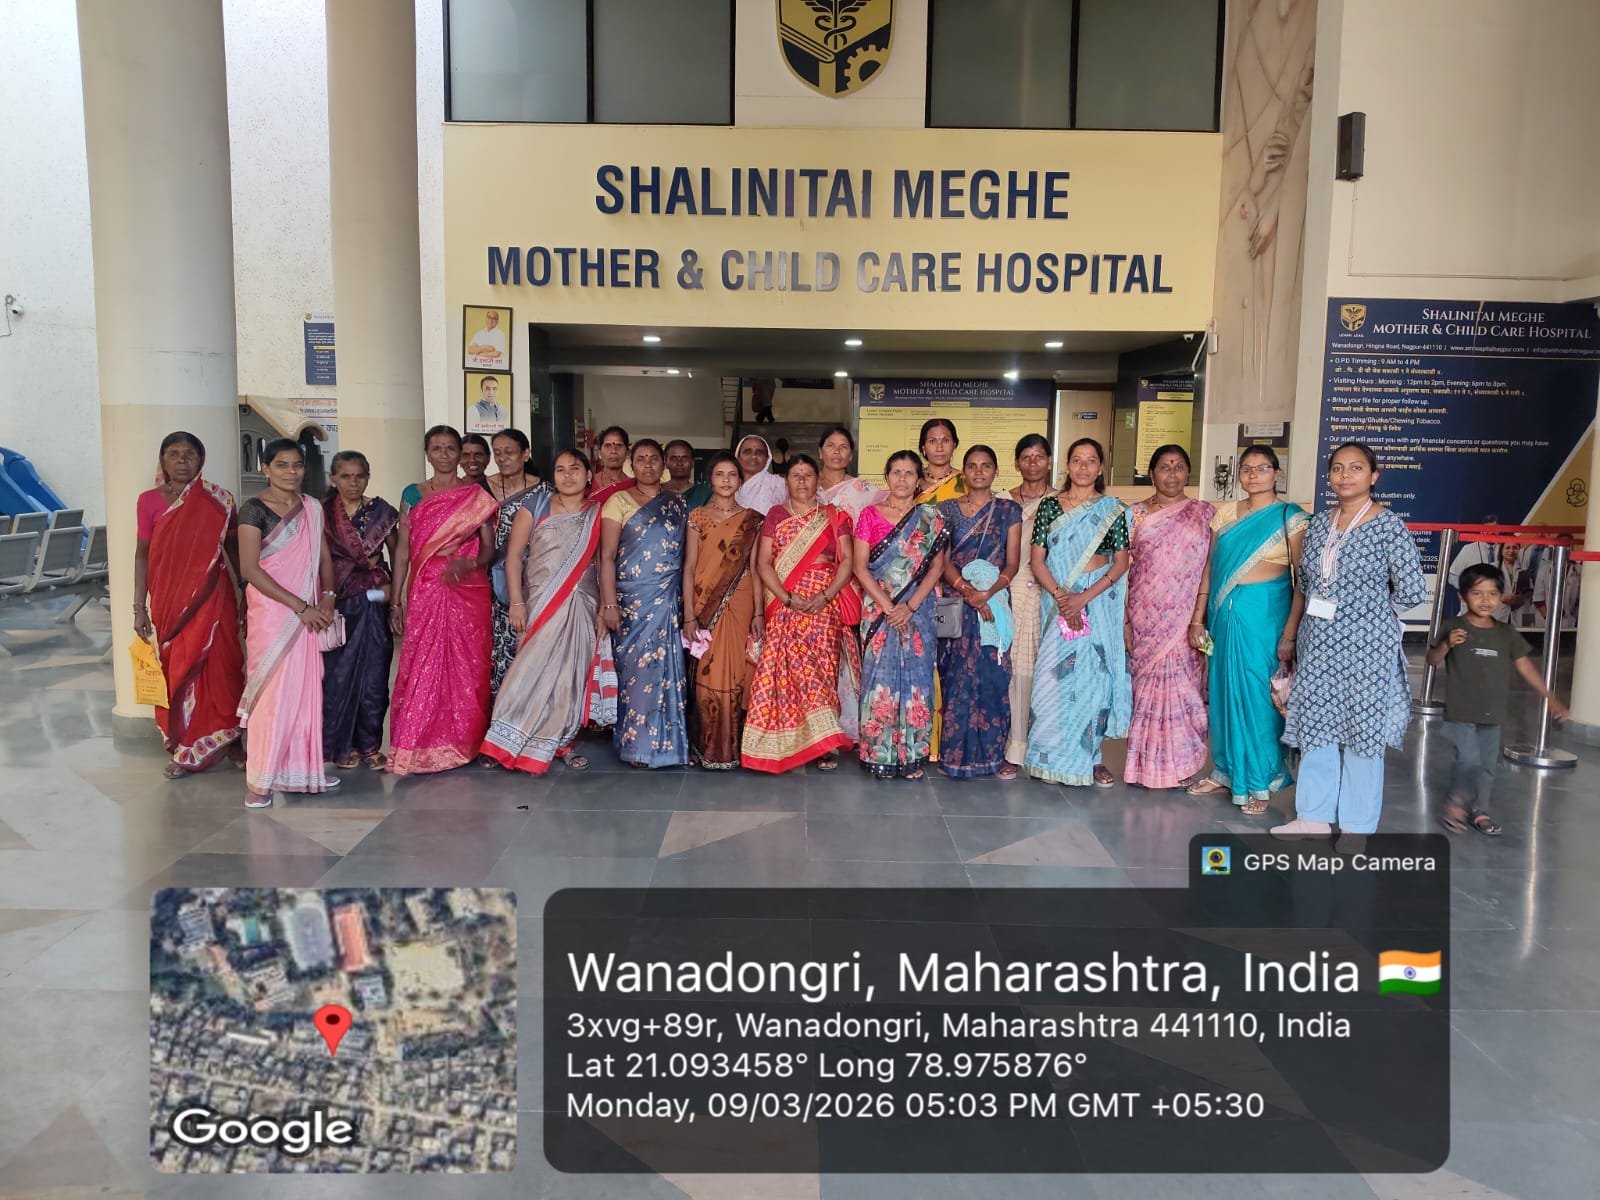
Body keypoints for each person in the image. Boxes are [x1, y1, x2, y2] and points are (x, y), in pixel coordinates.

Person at [1275, 442, 1427, 853]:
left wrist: (1368, 610)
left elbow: (1412, 590)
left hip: (1367, 648)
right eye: (1338, 468)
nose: (1345, 475)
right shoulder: (1319, 524)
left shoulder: (1388, 525)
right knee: (1317, 727)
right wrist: (1294, 633)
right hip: (1319, 644)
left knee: (1363, 732)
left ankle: (1357, 824)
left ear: (1374, 476)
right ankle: (1313, 815)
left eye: (1356, 468)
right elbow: (1308, 583)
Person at [480, 449, 617, 773]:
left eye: (575, 468)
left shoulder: (598, 513)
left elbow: (602, 562)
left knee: (569, 677)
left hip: (582, 605)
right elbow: (513, 558)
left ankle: (557, 741)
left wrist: (603, 608)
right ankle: (501, 741)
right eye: (560, 469)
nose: (568, 475)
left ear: (588, 474)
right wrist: (517, 603)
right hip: (540, 603)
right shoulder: (535, 506)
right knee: (526, 672)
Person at [1188, 445, 1307, 813]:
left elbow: (1302, 581)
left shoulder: (1291, 517)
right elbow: (1210, 568)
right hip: (1223, 617)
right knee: (1223, 692)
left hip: (1266, 618)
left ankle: (1260, 780)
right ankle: (1225, 770)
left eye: (1263, 468)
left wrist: (1290, 633)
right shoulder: (1225, 514)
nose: (1254, 475)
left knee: (1259, 696)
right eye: (1247, 468)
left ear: (1277, 473)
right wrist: (1198, 617)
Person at [133, 431, 246, 779]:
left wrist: (247, 592)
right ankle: (185, 748)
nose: (182, 461)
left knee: (224, 666)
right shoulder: (148, 501)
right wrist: (139, 607)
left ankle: (231, 740)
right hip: (169, 602)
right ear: (163, 460)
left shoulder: (219, 500)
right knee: (178, 670)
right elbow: (142, 554)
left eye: (190, 454)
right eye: (173, 454)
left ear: (201, 459)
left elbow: (233, 548)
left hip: (214, 596)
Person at [1428, 563, 1569, 838]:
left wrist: (1551, 699)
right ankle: (1456, 803)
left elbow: (1526, 667)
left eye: (1492, 594)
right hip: (1460, 711)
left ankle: (1480, 810)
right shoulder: (1453, 627)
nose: (1485, 600)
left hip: (1492, 712)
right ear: (1462, 596)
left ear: (1501, 596)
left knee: (1487, 766)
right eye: (1477, 593)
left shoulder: (1506, 634)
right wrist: (1447, 644)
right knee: (1469, 759)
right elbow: (1433, 660)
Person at [389, 426, 499, 776]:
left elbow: (489, 548)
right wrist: (395, 600)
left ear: (459, 453)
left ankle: (463, 742)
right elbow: (403, 550)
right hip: (426, 587)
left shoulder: (475, 494)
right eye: (437, 448)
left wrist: (470, 563)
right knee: (424, 663)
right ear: (427, 453)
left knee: (469, 665)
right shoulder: (413, 494)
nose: (445, 454)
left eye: (451, 448)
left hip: (467, 588)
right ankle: (418, 745)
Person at [235, 439, 339, 808]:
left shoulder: (312, 507)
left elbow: (324, 557)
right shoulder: (253, 510)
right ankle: (260, 781)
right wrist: (300, 607)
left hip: (310, 612)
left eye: (297, 465)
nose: (291, 472)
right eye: (282, 465)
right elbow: (250, 569)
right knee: (272, 695)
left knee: (307, 691)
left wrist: (328, 596)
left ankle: (302, 770)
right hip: (274, 614)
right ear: (266, 468)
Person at [1025, 438, 1131, 787]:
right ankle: (1051, 758)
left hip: (1096, 599)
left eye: (1091, 460)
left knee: (1094, 683)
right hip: (1058, 600)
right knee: (1053, 681)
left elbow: (1120, 563)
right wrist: (1062, 597)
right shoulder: (1049, 507)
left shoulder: (1112, 509)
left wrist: (1083, 598)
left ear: (1100, 468)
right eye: (1077, 460)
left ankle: (1092, 759)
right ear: (1067, 466)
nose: (1083, 467)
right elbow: (1037, 560)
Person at [742, 456, 856, 773]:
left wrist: (825, 595)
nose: (802, 481)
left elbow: (847, 561)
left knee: (822, 672)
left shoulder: (834, 515)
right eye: (796, 475)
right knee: (783, 674)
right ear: (786, 481)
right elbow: (763, 563)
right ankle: (784, 743)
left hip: (824, 604)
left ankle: (824, 744)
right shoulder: (776, 516)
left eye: (808, 475)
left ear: (818, 480)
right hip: (784, 604)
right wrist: (788, 598)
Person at [1123, 445, 1216, 790]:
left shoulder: (1205, 513)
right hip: (1144, 615)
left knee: (1186, 688)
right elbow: (1123, 570)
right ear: (1152, 473)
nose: (1172, 474)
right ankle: (1144, 766)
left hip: (1187, 617)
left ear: (1188, 472)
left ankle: (1183, 763)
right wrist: (1125, 621)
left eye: (1179, 467)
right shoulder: (1134, 515)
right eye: (1164, 467)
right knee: (1145, 689)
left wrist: (1199, 617)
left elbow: (1209, 568)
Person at [854, 451, 950, 780]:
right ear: (887, 476)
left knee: (917, 681)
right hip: (879, 611)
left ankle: (911, 756)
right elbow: (860, 567)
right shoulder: (869, 515)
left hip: (917, 611)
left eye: (909, 473)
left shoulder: (931, 518)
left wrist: (909, 607)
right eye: (896, 472)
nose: (902, 479)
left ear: (919, 479)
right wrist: (889, 606)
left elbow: (937, 567)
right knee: (877, 680)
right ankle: (878, 754)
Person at [599, 439, 690, 768]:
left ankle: (670, 746)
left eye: (654, 459)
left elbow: (685, 556)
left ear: (663, 464)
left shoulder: (677, 502)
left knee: (668, 671)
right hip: (632, 602)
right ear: (631, 465)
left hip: (667, 600)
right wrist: (609, 604)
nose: (648, 464)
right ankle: (636, 746)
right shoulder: (618, 502)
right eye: (641, 459)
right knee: (637, 675)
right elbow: (607, 556)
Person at [937, 446, 1021, 779]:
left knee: (993, 678)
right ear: (964, 472)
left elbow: (1012, 563)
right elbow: (942, 561)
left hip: (994, 605)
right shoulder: (947, 510)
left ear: (995, 471)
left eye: (986, 466)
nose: (979, 471)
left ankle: (992, 756)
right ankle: (954, 755)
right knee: (955, 677)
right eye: (972, 466)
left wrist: (988, 592)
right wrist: (968, 591)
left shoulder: (1008, 510)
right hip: (957, 604)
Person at [682, 452, 763, 769]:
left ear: (740, 480)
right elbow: (689, 567)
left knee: (737, 671)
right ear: (710, 479)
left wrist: (758, 612)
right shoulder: (697, 516)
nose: (726, 480)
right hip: (704, 604)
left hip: (741, 603)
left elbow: (755, 569)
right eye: (720, 474)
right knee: (707, 670)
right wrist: (689, 615)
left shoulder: (753, 519)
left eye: (732, 474)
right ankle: (707, 746)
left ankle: (734, 746)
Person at [321, 451, 398, 771]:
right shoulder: (321, 512)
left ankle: (369, 746)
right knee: (336, 678)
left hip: (373, 601)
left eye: (360, 476)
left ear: (368, 477)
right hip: (334, 602)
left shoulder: (381, 512)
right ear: (333, 479)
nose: (353, 482)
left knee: (374, 677)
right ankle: (340, 747)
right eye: (346, 476)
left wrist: (395, 598)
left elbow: (399, 556)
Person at [1003, 433, 1054, 773]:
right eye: (1026, 457)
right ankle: (1015, 747)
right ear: (1017, 463)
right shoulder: (1004, 502)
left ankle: (1048, 748)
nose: (1033, 463)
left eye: (1039, 457)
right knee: (1016, 667)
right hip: (1014, 591)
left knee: (1050, 670)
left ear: (1049, 461)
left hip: (1054, 594)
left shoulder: (1063, 502)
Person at [485, 429, 544, 697]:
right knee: (494, 650)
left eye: (509, 452)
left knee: (529, 646)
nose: (502, 458)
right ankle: (499, 710)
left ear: (526, 454)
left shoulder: (544, 491)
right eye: (497, 453)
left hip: (531, 581)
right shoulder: (482, 489)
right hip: (489, 582)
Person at [816, 424, 882, 522]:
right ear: (820, 452)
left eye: (843, 447)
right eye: (830, 445)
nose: (837, 451)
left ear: (850, 456)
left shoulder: (862, 488)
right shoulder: (808, 484)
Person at [734, 433, 789, 515]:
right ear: (738, 457)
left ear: (767, 458)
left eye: (759, 453)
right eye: (748, 452)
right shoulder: (728, 483)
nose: (753, 456)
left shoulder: (779, 484)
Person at [916, 418, 965, 503]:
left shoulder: (965, 481)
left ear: (954, 445)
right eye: (932, 441)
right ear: (923, 447)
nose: (939, 448)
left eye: (946, 441)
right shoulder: (913, 479)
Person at [664, 438, 711, 508]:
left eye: (684, 458)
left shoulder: (704, 494)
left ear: (692, 463)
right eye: (674, 458)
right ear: (666, 463)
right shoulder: (657, 492)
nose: (679, 463)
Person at [591, 425, 632, 497]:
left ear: (627, 452)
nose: (613, 451)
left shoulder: (633, 485)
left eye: (619, 445)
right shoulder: (588, 483)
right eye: (607, 446)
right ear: (599, 452)